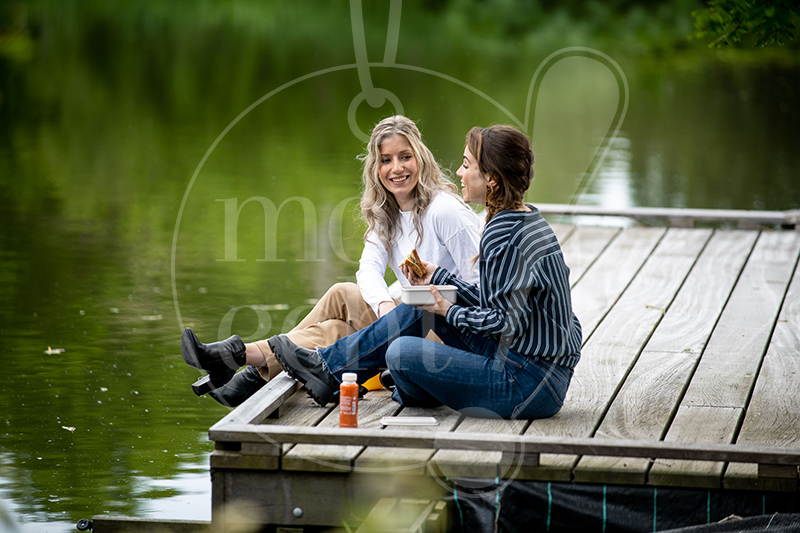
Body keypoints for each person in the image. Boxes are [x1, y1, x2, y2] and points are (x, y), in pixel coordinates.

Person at [268, 125, 582, 419]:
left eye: (466, 165)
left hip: (526, 382)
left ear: (492, 179)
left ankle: (352, 374)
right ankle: (330, 369)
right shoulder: (525, 219)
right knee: (421, 306)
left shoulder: (503, 236)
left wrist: (451, 311)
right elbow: (499, 302)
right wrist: (440, 279)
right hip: (532, 366)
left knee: (402, 353)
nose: (459, 172)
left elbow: (504, 322)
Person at [181, 116, 482, 406]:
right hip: (408, 319)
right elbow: (368, 270)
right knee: (342, 293)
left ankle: (246, 363)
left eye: (405, 157)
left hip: (444, 332)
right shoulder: (387, 213)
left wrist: (414, 307)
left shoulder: (445, 211)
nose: (396, 168)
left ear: (421, 159)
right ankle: (248, 364)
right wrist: (385, 308)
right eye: (386, 160)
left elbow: (479, 285)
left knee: (336, 332)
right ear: (375, 168)